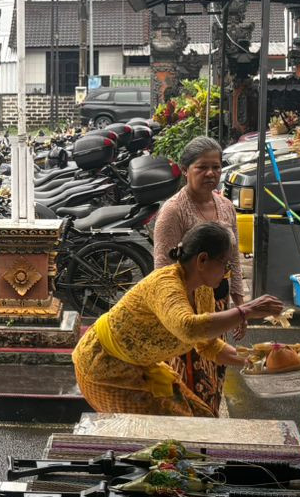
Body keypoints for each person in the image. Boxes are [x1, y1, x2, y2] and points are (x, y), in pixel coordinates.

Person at [73, 223, 284, 417]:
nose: (226, 273)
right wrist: (246, 310)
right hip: (102, 369)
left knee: (203, 418)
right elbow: (188, 328)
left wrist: (258, 361)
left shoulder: (202, 291)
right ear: (202, 260)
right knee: (170, 434)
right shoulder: (165, 284)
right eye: (225, 265)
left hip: (141, 366)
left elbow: (208, 346)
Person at [151, 136, 246, 414]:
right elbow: (163, 271)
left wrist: (239, 303)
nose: (211, 174)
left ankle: (209, 431)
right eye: (202, 167)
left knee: (215, 372)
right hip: (186, 309)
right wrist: (175, 315)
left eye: (216, 167)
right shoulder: (173, 211)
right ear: (185, 170)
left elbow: (234, 256)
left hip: (218, 301)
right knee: (190, 378)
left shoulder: (225, 206)